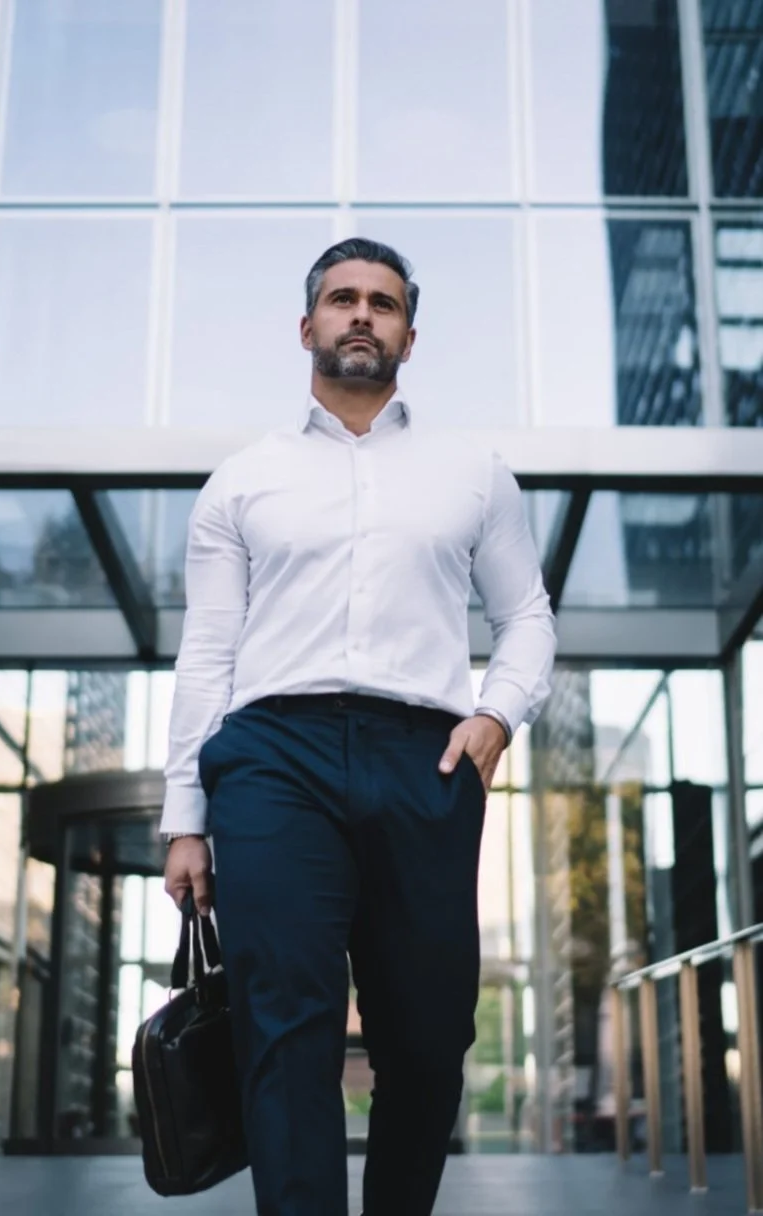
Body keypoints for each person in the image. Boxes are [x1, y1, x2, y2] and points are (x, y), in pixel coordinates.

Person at [161, 238, 556, 1215]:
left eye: (383, 303)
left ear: (408, 337)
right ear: (308, 327)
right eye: (343, 299)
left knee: (429, 1034)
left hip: (425, 757)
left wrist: (496, 716)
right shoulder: (242, 480)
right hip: (272, 758)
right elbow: (207, 652)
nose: (362, 315)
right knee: (284, 1024)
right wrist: (184, 817)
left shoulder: (473, 472)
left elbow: (526, 617)